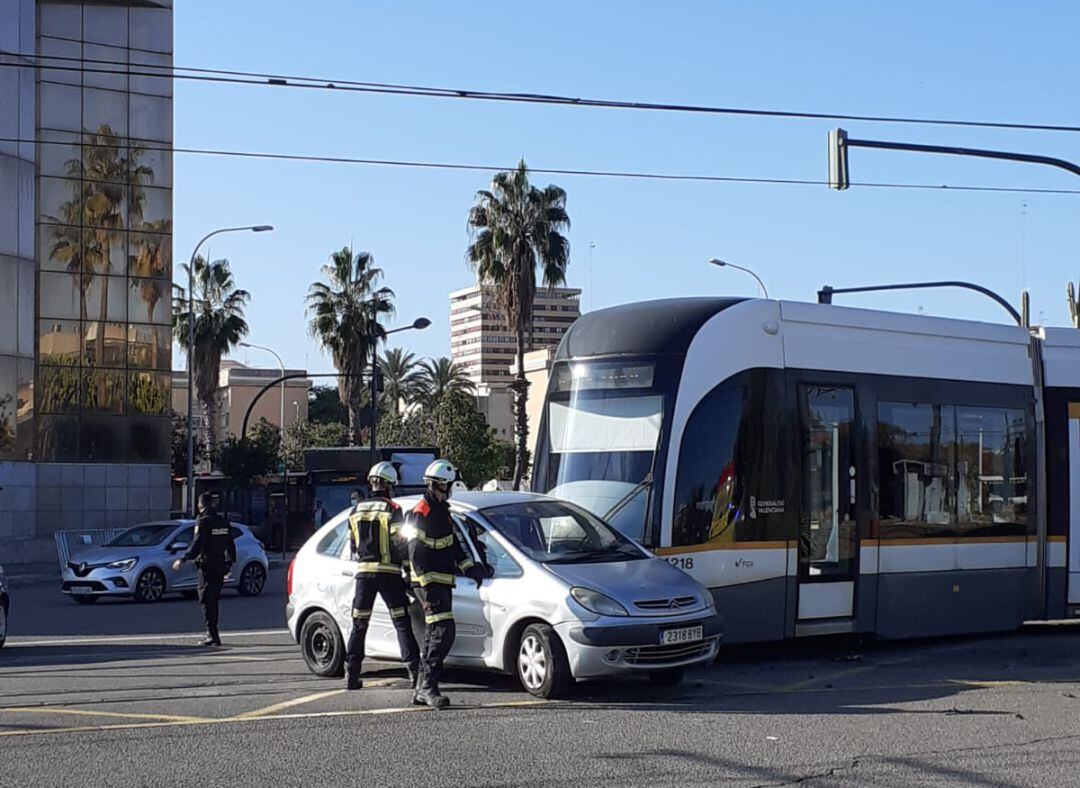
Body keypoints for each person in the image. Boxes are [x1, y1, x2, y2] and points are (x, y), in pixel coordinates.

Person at [404, 459, 485, 709]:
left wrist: (471, 567)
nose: (449, 490)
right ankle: (428, 686)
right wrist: (426, 585)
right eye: (447, 486)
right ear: (438, 485)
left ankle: (422, 687)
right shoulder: (421, 512)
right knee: (442, 632)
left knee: (434, 633)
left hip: (441, 582)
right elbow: (415, 551)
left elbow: (452, 546)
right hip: (429, 583)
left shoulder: (442, 512)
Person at [343, 462, 420, 691]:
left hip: (364, 575)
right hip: (389, 573)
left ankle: (352, 674)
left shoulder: (355, 511)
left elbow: (353, 545)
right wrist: (408, 570)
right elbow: (399, 542)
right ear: (387, 484)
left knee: (359, 624)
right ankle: (415, 672)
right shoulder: (392, 509)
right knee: (401, 623)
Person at [172, 493, 236, 647]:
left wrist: (183, 558)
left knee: (206, 599)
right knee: (213, 599)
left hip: (207, 566)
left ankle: (212, 635)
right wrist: (230, 563)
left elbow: (197, 543)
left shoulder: (202, 521)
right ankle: (213, 634)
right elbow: (230, 544)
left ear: (200, 506)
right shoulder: (223, 522)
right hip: (220, 565)